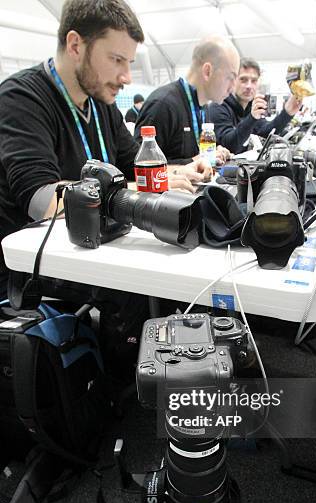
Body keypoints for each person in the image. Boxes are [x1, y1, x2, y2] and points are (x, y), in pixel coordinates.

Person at [0, 0, 208, 300]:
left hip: (93, 254)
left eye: (129, 63)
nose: (126, 77)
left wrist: (178, 171)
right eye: (116, 60)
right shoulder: (21, 99)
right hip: (35, 278)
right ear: (75, 46)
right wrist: (137, 191)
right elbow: (43, 200)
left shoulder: (100, 102)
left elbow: (135, 165)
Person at [134, 36, 239, 166]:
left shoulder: (204, 108)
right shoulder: (162, 105)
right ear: (207, 71)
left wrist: (212, 153)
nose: (233, 87)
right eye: (230, 77)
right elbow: (141, 168)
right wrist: (194, 161)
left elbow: (195, 154)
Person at [208, 58, 303, 155]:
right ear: (233, 81)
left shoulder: (250, 106)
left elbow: (265, 132)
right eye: (243, 80)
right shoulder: (218, 106)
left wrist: (287, 112)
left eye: (254, 81)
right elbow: (229, 146)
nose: (249, 86)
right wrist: (252, 118)